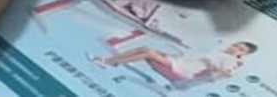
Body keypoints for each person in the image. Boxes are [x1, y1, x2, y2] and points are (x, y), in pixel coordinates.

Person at [91, 41, 259, 86]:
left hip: (183, 70)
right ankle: (113, 62)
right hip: (180, 62)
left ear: (243, 54)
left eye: (240, 49)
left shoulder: (230, 60)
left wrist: (222, 69)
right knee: (145, 48)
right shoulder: (220, 52)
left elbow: (229, 72)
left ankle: (107, 61)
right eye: (236, 45)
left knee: (147, 53)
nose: (235, 48)